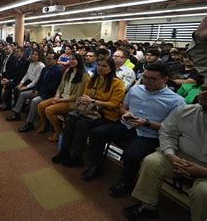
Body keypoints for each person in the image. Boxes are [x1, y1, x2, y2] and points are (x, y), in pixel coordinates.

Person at [82, 63, 185, 195]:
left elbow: (172, 129)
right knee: (97, 133)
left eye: (152, 79)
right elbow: (122, 108)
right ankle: (96, 165)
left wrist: (146, 123)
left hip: (149, 135)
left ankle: (126, 183)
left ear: (165, 79)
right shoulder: (136, 90)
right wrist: (125, 113)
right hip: (127, 126)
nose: (146, 81)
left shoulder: (176, 101)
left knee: (131, 154)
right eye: (145, 77)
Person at [123, 92, 207, 221]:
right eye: (204, 88)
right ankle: (148, 205)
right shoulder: (186, 110)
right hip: (180, 155)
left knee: (203, 191)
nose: (201, 94)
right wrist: (170, 155)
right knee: (152, 162)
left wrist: (204, 172)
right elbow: (167, 132)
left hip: (204, 168)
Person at [52, 55, 125, 167]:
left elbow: (114, 105)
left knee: (81, 124)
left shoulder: (117, 83)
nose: (100, 68)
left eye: (104, 66)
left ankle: (77, 156)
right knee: (71, 119)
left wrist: (94, 102)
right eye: (99, 65)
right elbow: (85, 94)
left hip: (106, 115)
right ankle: (64, 151)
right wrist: (84, 99)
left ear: (111, 68)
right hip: (89, 112)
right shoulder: (93, 79)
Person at [5, 52, 62, 133]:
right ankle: (17, 113)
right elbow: (39, 82)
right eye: (47, 58)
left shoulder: (58, 71)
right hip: (40, 90)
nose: (48, 60)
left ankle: (29, 123)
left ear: (56, 60)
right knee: (22, 94)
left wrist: (39, 92)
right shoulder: (45, 69)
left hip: (48, 94)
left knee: (34, 101)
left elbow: (53, 87)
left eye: (50, 59)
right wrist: (35, 89)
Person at [38, 53, 89, 141]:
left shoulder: (84, 75)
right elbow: (60, 86)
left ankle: (58, 132)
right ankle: (44, 124)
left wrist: (60, 100)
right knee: (41, 105)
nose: (71, 61)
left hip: (71, 102)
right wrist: (57, 96)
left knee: (49, 110)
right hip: (61, 97)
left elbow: (78, 95)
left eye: (74, 59)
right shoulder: (67, 71)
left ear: (79, 61)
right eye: (70, 59)